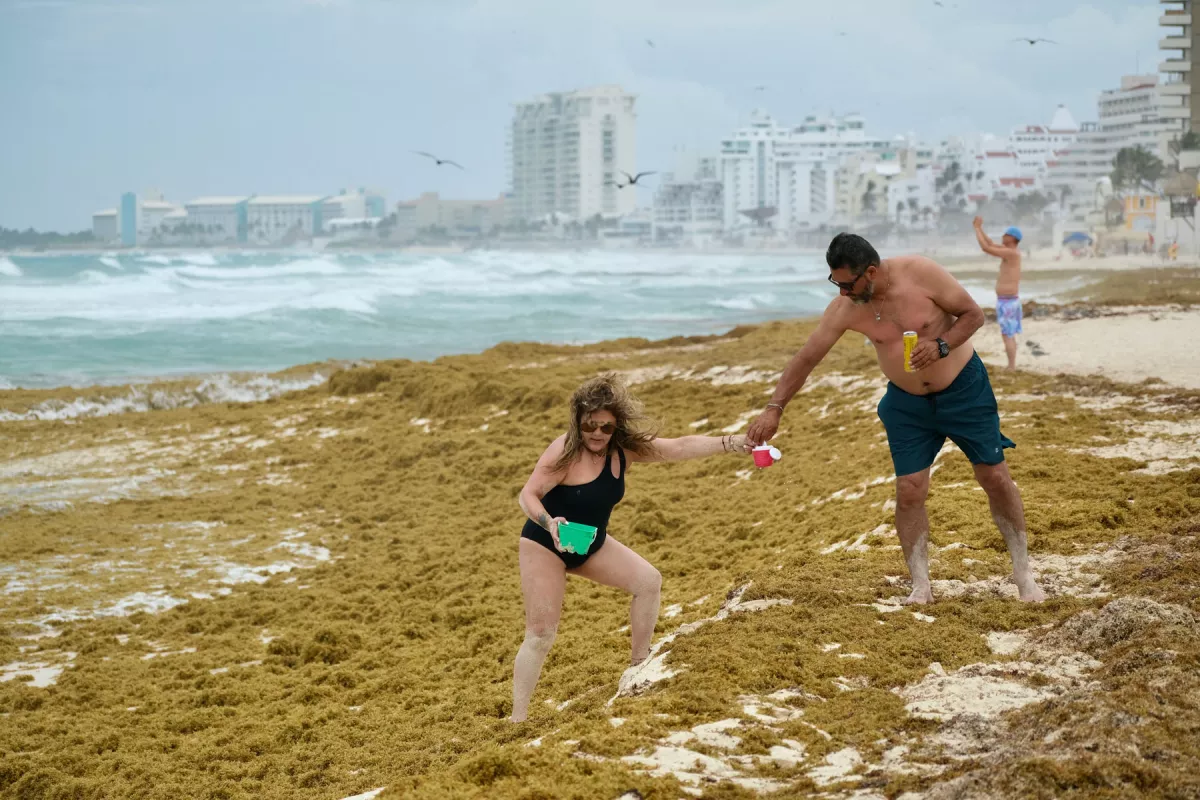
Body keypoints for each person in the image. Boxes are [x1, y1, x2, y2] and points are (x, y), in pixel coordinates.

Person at [746, 233, 1045, 605]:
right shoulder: (847, 309)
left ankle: (1024, 575)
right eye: (835, 283)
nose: (841, 292)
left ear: (870, 271)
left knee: (994, 476)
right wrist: (775, 408)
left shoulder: (920, 274)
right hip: (907, 405)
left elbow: (973, 315)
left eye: (847, 283)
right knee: (909, 491)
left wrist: (940, 345)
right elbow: (806, 359)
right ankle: (921, 586)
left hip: (963, 390)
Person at [511, 373, 754, 722]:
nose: (597, 434)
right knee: (541, 633)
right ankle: (518, 720)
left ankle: (638, 667)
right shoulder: (565, 449)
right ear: (578, 423)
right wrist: (548, 522)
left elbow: (679, 447)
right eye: (590, 425)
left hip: (588, 541)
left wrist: (731, 442)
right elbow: (527, 494)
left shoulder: (624, 451)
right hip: (545, 542)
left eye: (606, 428)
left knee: (648, 581)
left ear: (616, 427)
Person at [972, 217, 1023, 370]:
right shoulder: (1009, 252)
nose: (1002, 236)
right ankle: (1011, 364)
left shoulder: (1012, 253)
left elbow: (986, 248)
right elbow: (991, 244)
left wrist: (976, 228)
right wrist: (980, 229)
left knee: (1007, 335)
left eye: (1005, 235)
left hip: (1008, 302)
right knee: (1008, 334)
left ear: (1012, 238)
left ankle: (1011, 366)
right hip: (1007, 300)